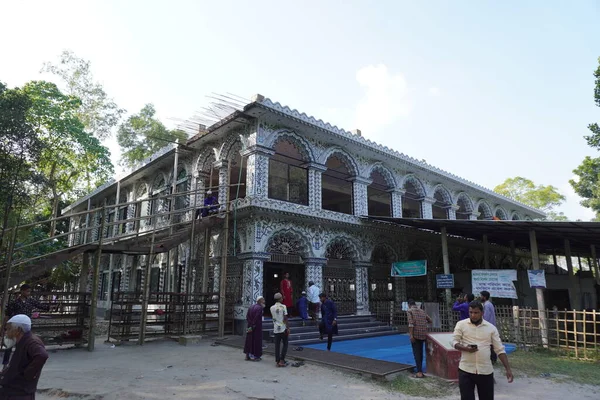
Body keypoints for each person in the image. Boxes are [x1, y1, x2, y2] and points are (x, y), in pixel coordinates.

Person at [452, 301, 513, 400]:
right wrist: (466, 348)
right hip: (466, 370)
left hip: (485, 371)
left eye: (476, 313)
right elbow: (454, 342)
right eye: (471, 312)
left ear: (482, 313)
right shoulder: (461, 325)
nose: (473, 315)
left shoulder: (491, 328)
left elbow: (499, 350)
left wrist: (508, 369)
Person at [0, 314, 49, 400]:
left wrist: (29, 373)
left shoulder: (32, 341)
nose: (6, 332)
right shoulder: (22, 341)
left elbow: (42, 355)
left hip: (20, 393)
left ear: (18, 330)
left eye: (8, 329)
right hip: (11, 391)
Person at [3, 285, 49, 370]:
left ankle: (18, 365)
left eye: (29, 291)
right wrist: (5, 326)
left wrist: (51, 306)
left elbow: (41, 306)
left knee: (23, 346)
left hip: (26, 327)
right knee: (9, 345)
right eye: (27, 291)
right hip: (15, 326)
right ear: (22, 291)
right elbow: (8, 315)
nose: (29, 293)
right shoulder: (14, 302)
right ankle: (5, 365)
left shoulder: (31, 301)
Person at [407, 299, 432, 378]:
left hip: (415, 335)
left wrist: (411, 335)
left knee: (416, 353)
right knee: (421, 352)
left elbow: (411, 324)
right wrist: (422, 324)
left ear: (408, 305)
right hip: (423, 334)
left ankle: (419, 372)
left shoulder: (410, 311)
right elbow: (430, 320)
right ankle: (420, 369)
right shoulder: (422, 311)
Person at [270, 293, 289, 367]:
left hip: (276, 328)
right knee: (285, 344)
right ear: (280, 299)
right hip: (283, 328)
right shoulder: (283, 306)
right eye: (282, 298)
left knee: (277, 345)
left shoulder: (271, 308)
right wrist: (288, 327)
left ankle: (277, 360)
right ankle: (282, 360)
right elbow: (285, 318)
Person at [243, 296, 265, 361]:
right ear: (260, 301)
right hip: (256, 327)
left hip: (249, 326)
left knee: (248, 340)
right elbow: (257, 317)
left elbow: (247, 317)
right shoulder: (259, 308)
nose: (264, 301)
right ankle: (256, 356)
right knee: (256, 341)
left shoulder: (251, 306)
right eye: (263, 300)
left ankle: (247, 356)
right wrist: (254, 324)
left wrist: (250, 324)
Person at [480, 291, 497, 364]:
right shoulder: (489, 304)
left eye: (481, 296)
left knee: (488, 343)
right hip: (491, 325)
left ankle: (492, 358)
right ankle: (492, 358)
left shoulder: (486, 305)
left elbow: (486, 317)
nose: (480, 297)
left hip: (488, 326)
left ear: (484, 297)